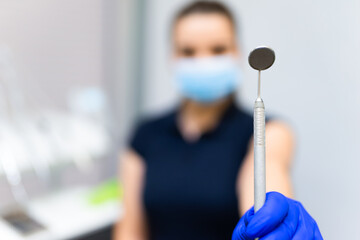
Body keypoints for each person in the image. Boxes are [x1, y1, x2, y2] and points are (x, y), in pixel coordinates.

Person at [115, 1, 323, 240]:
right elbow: (129, 231)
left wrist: (274, 222)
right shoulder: (146, 134)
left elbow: (269, 180)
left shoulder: (267, 131)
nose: (203, 61)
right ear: (172, 57)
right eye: (188, 52)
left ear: (236, 52)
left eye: (217, 49)